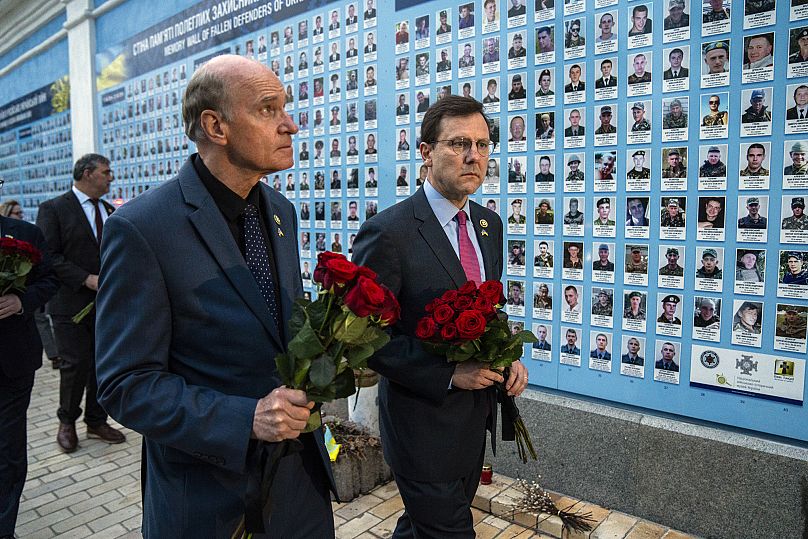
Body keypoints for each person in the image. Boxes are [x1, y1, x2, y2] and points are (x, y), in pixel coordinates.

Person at [94, 55, 336, 537]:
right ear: (216, 126)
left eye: (285, 108)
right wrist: (243, 418)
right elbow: (126, 384)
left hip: (298, 486)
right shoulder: (142, 229)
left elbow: (276, 327)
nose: (290, 124)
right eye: (269, 109)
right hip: (208, 496)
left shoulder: (280, 210)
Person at [351, 95, 527, 537]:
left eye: (484, 145)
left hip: (473, 419)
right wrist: (449, 373)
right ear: (426, 152)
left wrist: (507, 354)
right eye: (459, 144)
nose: (474, 156)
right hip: (421, 426)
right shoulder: (388, 233)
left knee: (422, 528)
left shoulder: (489, 224)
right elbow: (366, 339)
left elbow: (488, 306)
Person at [36, 154, 126, 453]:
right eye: (106, 172)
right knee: (75, 365)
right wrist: (85, 278)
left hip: (107, 304)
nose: (110, 178)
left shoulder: (110, 210)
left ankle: (97, 420)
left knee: (102, 365)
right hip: (69, 305)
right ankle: (67, 422)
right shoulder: (54, 209)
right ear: (87, 173)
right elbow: (48, 255)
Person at [0, 212, 58, 539]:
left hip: (13, 361)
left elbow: (49, 279)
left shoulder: (24, 235)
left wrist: (20, 300)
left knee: (8, 452)